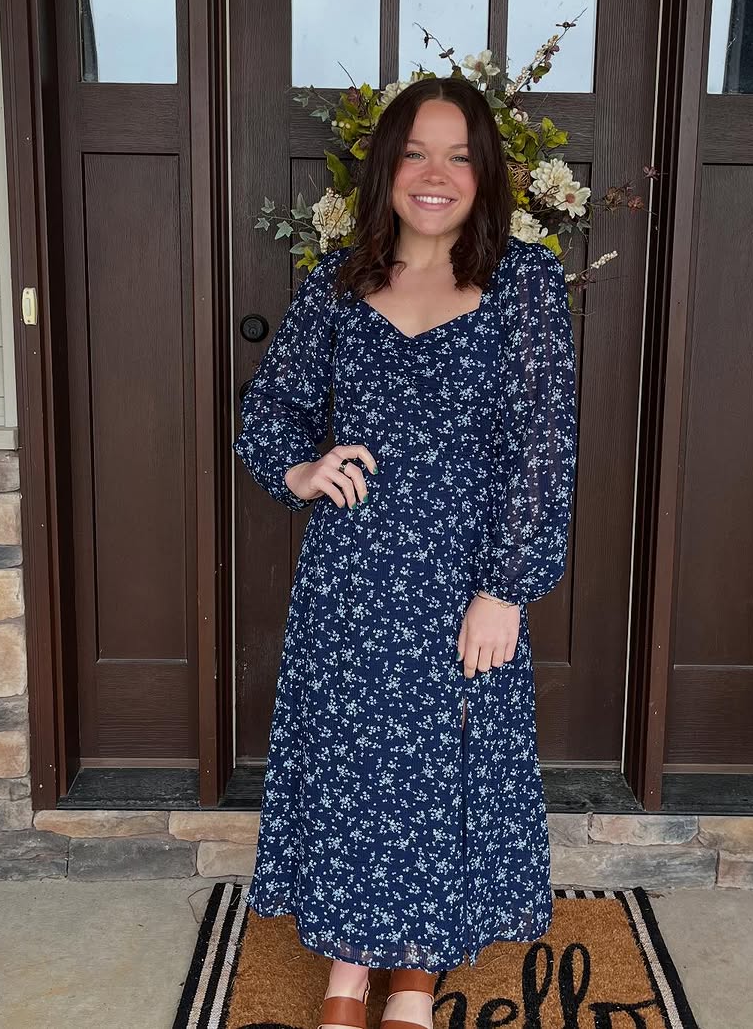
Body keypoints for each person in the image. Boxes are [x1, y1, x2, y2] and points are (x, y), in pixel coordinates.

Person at [233, 73, 578, 1029]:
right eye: (418, 153)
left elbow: (543, 447)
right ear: (387, 167)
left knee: (438, 767)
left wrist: (506, 589)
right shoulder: (339, 286)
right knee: (352, 765)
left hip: (464, 578)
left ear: (486, 173)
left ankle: (416, 974)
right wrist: (301, 470)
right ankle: (349, 970)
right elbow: (271, 408)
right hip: (352, 576)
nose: (437, 174)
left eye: (459, 156)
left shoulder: (524, 283)